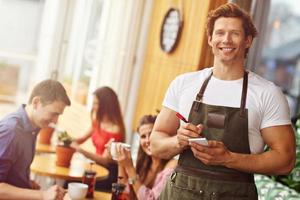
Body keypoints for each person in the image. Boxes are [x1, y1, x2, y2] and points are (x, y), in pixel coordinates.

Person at [150, 3, 296, 200]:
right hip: (179, 193)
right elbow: (156, 143)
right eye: (220, 33)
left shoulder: (267, 94)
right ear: (210, 39)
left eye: (234, 33)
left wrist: (229, 159)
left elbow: (285, 161)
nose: (226, 39)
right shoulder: (184, 84)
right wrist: (179, 141)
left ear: (248, 40)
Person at [0, 79, 71, 200]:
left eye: (58, 115)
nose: (55, 121)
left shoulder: (32, 129)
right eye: (54, 113)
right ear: (36, 102)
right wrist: (41, 195)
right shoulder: (11, 131)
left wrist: (27, 183)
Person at [71, 86, 125, 191]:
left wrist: (81, 150)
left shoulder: (116, 130)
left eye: (96, 103)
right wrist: (67, 140)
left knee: (72, 184)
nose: (93, 106)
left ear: (106, 105)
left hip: (107, 173)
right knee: (71, 182)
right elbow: (81, 139)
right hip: (97, 168)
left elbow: (105, 160)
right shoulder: (98, 123)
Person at [114, 115, 177, 200]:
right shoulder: (144, 163)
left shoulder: (172, 166)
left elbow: (151, 198)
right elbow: (123, 191)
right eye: (143, 136)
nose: (147, 140)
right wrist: (121, 162)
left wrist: (129, 167)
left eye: (151, 134)